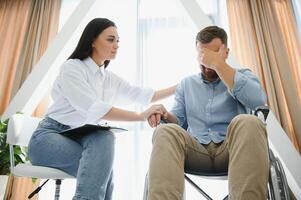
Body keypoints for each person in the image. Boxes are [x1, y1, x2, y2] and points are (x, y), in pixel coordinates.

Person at [28, 18, 175, 200]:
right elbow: (95, 109)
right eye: (110, 39)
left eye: (118, 41)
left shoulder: (107, 78)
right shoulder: (72, 68)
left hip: (78, 137)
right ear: (92, 41)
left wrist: (181, 86)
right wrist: (141, 116)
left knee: (104, 138)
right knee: (102, 168)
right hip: (47, 139)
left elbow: (142, 95)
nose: (116, 45)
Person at [146, 26, 268, 200]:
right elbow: (178, 123)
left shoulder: (243, 76)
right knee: (164, 130)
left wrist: (218, 65)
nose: (207, 61)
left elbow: (257, 101)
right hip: (195, 151)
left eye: (213, 54)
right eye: (203, 55)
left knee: (248, 121)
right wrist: (165, 115)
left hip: (233, 150)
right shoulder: (186, 84)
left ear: (226, 52)